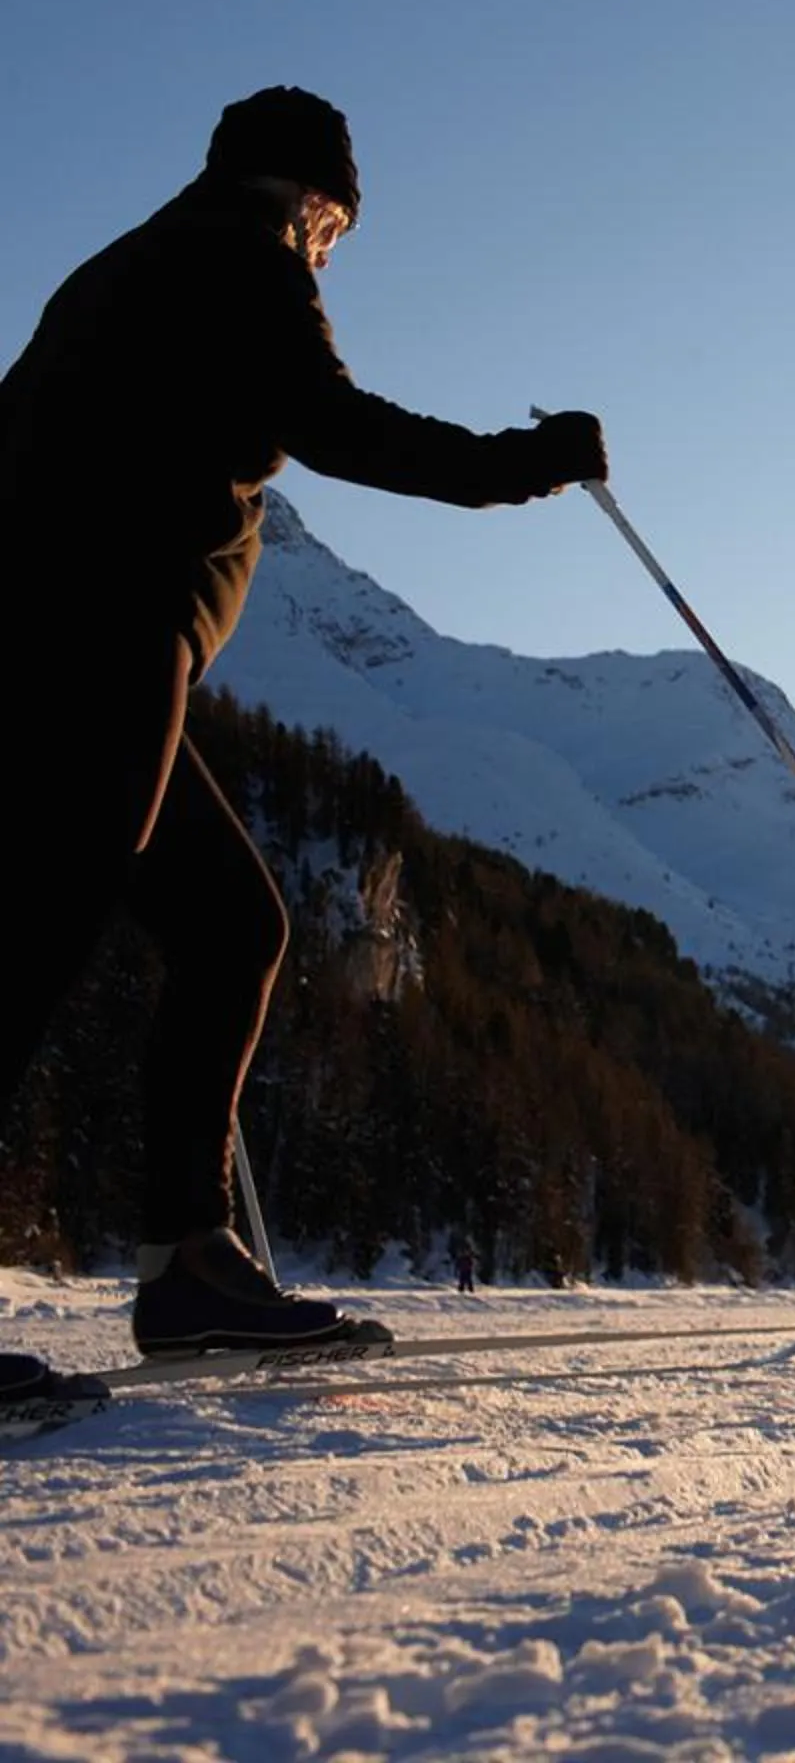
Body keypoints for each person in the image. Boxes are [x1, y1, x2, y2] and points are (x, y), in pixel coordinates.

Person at [0, 87, 606, 1357]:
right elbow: (341, 427)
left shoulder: (124, 268)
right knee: (34, 938)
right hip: (94, 631)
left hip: (61, 629)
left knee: (231, 924)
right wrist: (532, 459)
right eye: (337, 225)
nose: (330, 249)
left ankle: (190, 1268)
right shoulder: (246, 259)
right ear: (315, 199)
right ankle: (186, 1267)